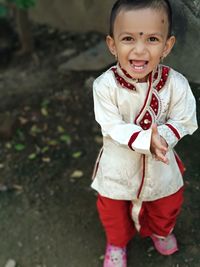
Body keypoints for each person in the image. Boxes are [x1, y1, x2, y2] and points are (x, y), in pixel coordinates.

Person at [91, 0, 198, 266]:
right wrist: (144, 138)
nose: (140, 50)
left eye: (152, 39)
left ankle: (161, 232)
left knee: (167, 203)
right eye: (128, 38)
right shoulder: (105, 86)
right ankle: (117, 242)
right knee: (113, 211)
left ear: (167, 46)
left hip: (162, 168)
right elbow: (111, 125)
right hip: (118, 169)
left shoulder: (176, 84)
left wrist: (162, 136)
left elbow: (185, 119)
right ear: (112, 45)